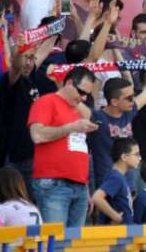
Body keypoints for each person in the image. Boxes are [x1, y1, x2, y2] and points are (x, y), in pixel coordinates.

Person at [28, 66, 100, 227]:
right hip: (54, 182)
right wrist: (71, 127)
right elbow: (37, 135)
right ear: (69, 83)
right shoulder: (46, 101)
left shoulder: (79, 109)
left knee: (73, 240)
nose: (83, 98)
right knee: (55, 238)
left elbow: (80, 147)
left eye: (87, 94)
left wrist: (85, 187)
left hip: (79, 184)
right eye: (81, 92)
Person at [89, 75, 146, 192]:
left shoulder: (128, 113)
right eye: (128, 98)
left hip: (129, 182)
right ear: (114, 101)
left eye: (133, 96)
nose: (133, 100)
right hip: (107, 183)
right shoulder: (97, 117)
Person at [91, 138, 141, 224]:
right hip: (117, 231)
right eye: (136, 154)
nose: (139, 158)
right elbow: (97, 198)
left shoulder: (119, 177)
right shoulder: (116, 177)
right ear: (124, 157)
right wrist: (117, 217)